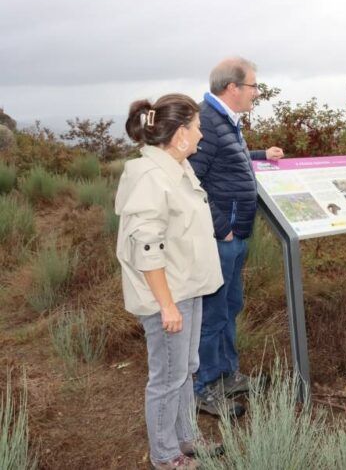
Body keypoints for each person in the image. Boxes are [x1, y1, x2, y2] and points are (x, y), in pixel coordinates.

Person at [115, 94, 223, 470]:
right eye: (196, 128)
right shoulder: (150, 176)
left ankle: (185, 438)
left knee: (185, 368)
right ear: (180, 135)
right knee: (167, 377)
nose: (201, 136)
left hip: (185, 287)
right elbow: (147, 247)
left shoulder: (177, 168)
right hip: (168, 296)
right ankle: (165, 456)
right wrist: (166, 306)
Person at [188, 57, 284, 416]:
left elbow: (226, 160)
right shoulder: (208, 122)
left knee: (229, 306)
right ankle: (203, 387)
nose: (256, 93)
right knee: (213, 313)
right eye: (253, 86)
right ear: (233, 88)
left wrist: (260, 154)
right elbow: (191, 181)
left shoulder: (224, 121)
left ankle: (226, 374)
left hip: (233, 237)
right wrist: (221, 227)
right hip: (221, 239)